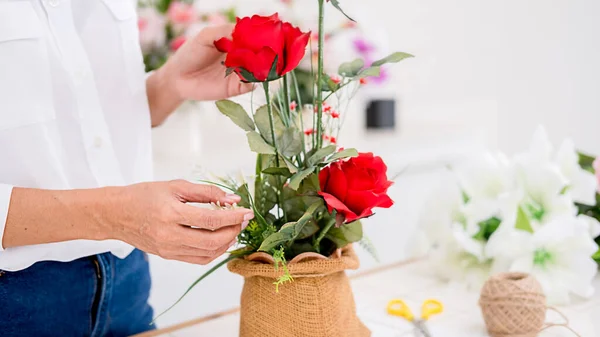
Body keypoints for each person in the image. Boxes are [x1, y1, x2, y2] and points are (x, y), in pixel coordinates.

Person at [0, 1, 254, 336]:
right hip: (16, 302)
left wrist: (169, 84)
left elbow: (72, 128)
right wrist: (116, 215)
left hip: (127, 281)